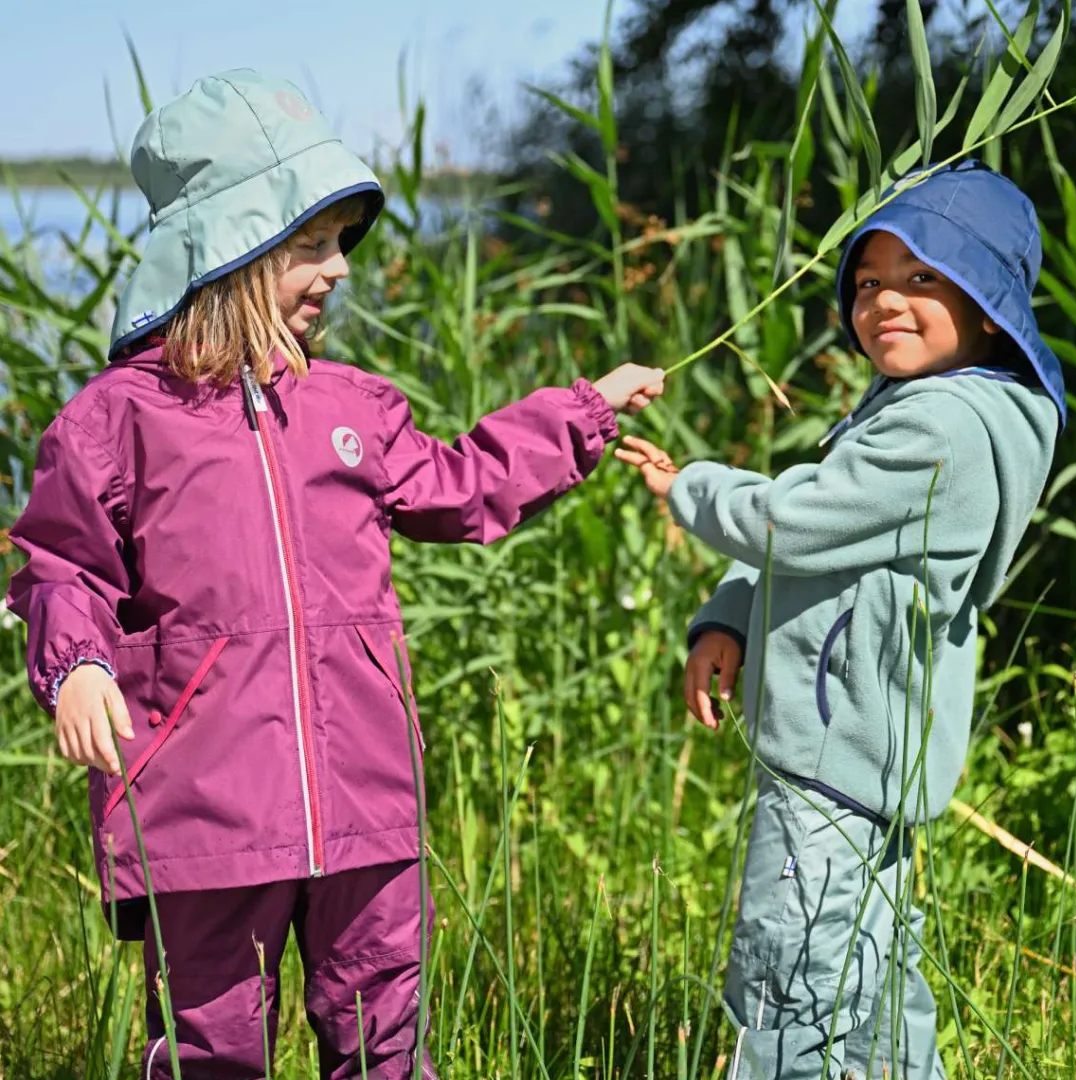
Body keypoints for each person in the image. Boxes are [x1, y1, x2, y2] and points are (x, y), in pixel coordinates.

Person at [6, 69, 665, 1079]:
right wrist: (76, 666)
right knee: (210, 1053)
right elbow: (61, 564)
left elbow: (464, 483)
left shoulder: (354, 407)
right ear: (231, 246)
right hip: (203, 811)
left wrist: (583, 413)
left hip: (365, 800)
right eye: (311, 243)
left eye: (341, 243)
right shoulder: (118, 419)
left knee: (386, 1044)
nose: (340, 269)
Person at [616, 160, 1064, 1079]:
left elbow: (791, 519)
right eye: (866, 282)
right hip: (861, 761)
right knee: (873, 992)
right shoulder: (914, 406)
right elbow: (829, 530)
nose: (884, 300)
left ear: (988, 306)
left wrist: (687, 486)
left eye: (923, 276)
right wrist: (731, 616)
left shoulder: (943, 428)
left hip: (832, 769)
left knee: (789, 989)